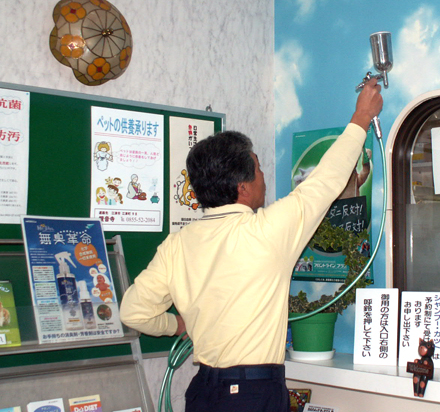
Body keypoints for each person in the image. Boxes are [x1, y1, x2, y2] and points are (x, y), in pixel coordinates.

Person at [120, 77, 383, 412]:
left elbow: (132, 311)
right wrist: (360, 118)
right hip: (252, 393)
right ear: (242, 187)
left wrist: (175, 325)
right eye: (258, 170)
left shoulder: (177, 245)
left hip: (201, 392)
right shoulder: (267, 231)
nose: (263, 177)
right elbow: (325, 181)